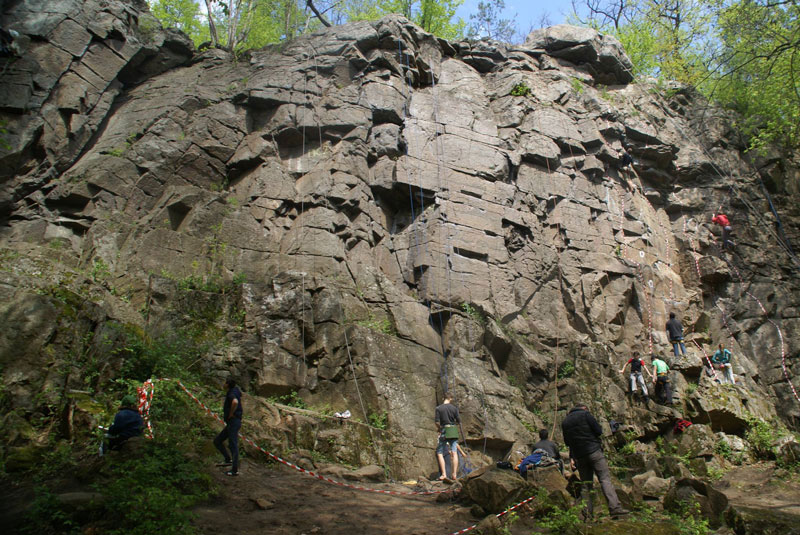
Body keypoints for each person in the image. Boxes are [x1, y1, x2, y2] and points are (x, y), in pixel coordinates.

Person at [561, 405, 629, 519]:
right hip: (594, 451)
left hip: (580, 456)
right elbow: (598, 431)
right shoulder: (586, 415)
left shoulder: (565, 422)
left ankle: (587, 514)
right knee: (604, 479)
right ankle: (615, 508)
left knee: (586, 485)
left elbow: (567, 442)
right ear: (584, 408)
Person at [214, 377, 243, 476]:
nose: (223, 384)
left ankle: (234, 470)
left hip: (233, 421)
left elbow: (235, 402)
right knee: (217, 441)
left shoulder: (231, 393)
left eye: (224, 383)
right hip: (233, 422)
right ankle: (228, 459)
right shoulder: (236, 391)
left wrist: (231, 413)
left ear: (227, 384)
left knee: (233, 444)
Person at [434, 393, 461, 480]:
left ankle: (444, 474)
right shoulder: (454, 408)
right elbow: (459, 421)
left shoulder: (439, 408)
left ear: (443, 398)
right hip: (453, 430)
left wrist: (439, 429)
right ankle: (454, 474)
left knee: (440, 452)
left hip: (444, 430)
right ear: (451, 399)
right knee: (454, 452)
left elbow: (437, 422)